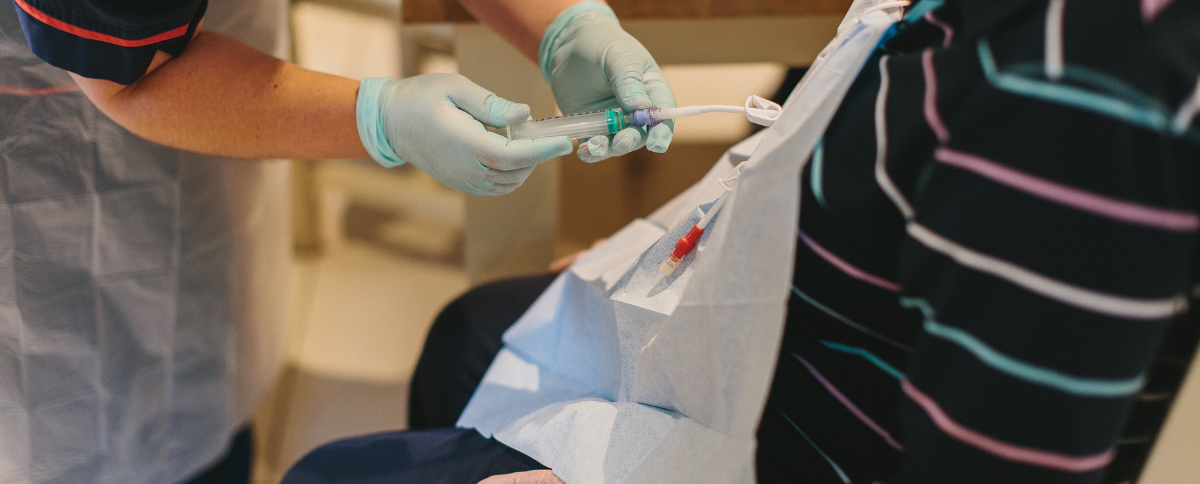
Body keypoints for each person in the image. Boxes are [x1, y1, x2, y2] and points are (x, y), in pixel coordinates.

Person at [283, 0, 1200, 483]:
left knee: (334, 473)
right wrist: (686, 236)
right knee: (472, 335)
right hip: (774, 343)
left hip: (793, 444)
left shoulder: (1076, 105)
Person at [0, 0, 675, 482]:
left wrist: (561, 22)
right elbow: (135, 75)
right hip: (61, 120)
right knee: (108, 415)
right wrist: (378, 120)